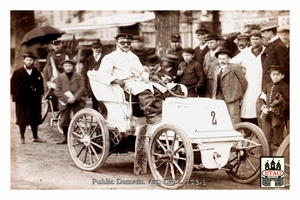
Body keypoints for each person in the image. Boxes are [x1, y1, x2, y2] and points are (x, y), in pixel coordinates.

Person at [96, 33, 162, 124]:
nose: (126, 45)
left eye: (128, 42)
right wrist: (114, 79)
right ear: (117, 43)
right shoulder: (110, 57)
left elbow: (141, 73)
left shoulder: (134, 57)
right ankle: (152, 117)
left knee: (158, 89)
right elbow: (102, 74)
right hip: (122, 86)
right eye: (123, 43)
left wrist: (150, 76)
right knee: (145, 91)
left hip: (136, 83)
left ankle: (161, 114)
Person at [230, 31, 266, 125]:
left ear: (261, 39)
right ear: (250, 41)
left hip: (262, 81)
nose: (255, 41)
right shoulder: (246, 52)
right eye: (253, 39)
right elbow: (232, 62)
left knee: (261, 104)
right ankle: (249, 127)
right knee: (249, 105)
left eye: (257, 39)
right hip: (249, 81)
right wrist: (241, 71)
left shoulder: (266, 51)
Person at [11, 52, 45, 144]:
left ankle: (35, 137)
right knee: (22, 119)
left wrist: (40, 94)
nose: (29, 62)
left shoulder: (37, 73)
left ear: (34, 61)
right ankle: (22, 137)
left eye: (31, 60)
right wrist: (16, 96)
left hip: (34, 99)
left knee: (35, 118)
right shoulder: (17, 73)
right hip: (22, 100)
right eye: (27, 60)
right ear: (24, 61)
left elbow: (41, 86)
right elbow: (12, 86)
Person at [212, 47, 248, 126]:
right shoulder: (216, 68)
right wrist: (214, 95)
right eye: (220, 59)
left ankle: (237, 133)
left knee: (234, 116)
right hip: (219, 95)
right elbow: (215, 83)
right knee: (221, 115)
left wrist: (238, 94)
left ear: (229, 59)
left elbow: (243, 81)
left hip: (232, 96)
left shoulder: (234, 67)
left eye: (224, 59)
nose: (222, 61)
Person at [54, 59, 86, 144]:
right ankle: (66, 138)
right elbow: (57, 90)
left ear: (73, 66)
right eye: (66, 66)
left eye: (70, 66)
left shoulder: (79, 76)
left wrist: (75, 98)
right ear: (63, 67)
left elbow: (82, 88)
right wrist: (67, 99)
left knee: (80, 118)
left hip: (77, 100)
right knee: (64, 119)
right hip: (65, 101)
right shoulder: (60, 77)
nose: (68, 68)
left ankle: (82, 136)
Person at [259, 65, 289, 156]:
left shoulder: (285, 87)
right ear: (270, 75)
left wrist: (279, 109)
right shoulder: (267, 86)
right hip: (267, 116)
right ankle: (267, 157)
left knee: (277, 139)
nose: (275, 77)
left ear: (282, 76)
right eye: (273, 75)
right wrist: (263, 106)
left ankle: (277, 159)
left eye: (277, 75)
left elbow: (288, 101)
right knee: (266, 137)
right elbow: (262, 98)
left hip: (278, 117)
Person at [43, 39, 73, 111]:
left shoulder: (67, 53)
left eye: (58, 45)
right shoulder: (50, 55)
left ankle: (66, 106)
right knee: (54, 90)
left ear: (61, 45)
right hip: (54, 76)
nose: (57, 47)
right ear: (52, 46)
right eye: (55, 45)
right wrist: (51, 77)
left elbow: (71, 64)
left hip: (66, 74)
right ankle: (54, 108)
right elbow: (48, 67)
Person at [82, 40, 106, 113]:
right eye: (94, 48)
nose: (95, 49)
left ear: (101, 48)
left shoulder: (105, 57)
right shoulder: (89, 59)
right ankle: (96, 114)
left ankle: (105, 113)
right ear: (92, 49)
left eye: (97, 48)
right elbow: (84, 70)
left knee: (103, 98)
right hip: (92, 82)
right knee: (94, 99)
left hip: (103, 81)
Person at [202, 33, 222, 98]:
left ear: (218, 42)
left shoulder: (223, 53)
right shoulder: (207, 55)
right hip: (207, 83)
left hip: (219, 83)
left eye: (211, 42)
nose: (209, 45)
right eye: (208, 43)